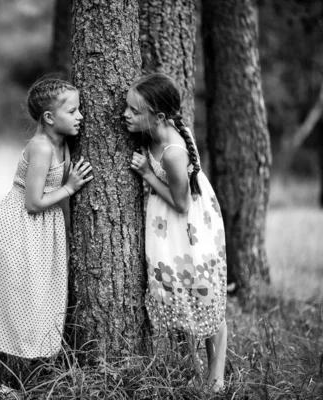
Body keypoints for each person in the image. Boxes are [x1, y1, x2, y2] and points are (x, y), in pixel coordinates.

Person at [0, 76, 93, 400]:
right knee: (13, 307)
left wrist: (67, 235)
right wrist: (70, 187)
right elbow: (34, 202)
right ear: (50, 118)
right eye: (73, 110)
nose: (81, 115)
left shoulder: (63, 141)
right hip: (16, 230)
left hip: (39, 234)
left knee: (22, 308)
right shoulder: (40, 147)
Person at [126, 73, 227, 392]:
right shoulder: (154, 132)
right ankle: (196, 368)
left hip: (188, 228)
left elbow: (182, 204)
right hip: (168, 226)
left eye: (133, 110)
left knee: (206, 298)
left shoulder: (172, 150)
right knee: (182, 294)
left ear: (158, 117)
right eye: (127, 107)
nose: (125, 114)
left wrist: (146, 174)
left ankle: (217, 380)